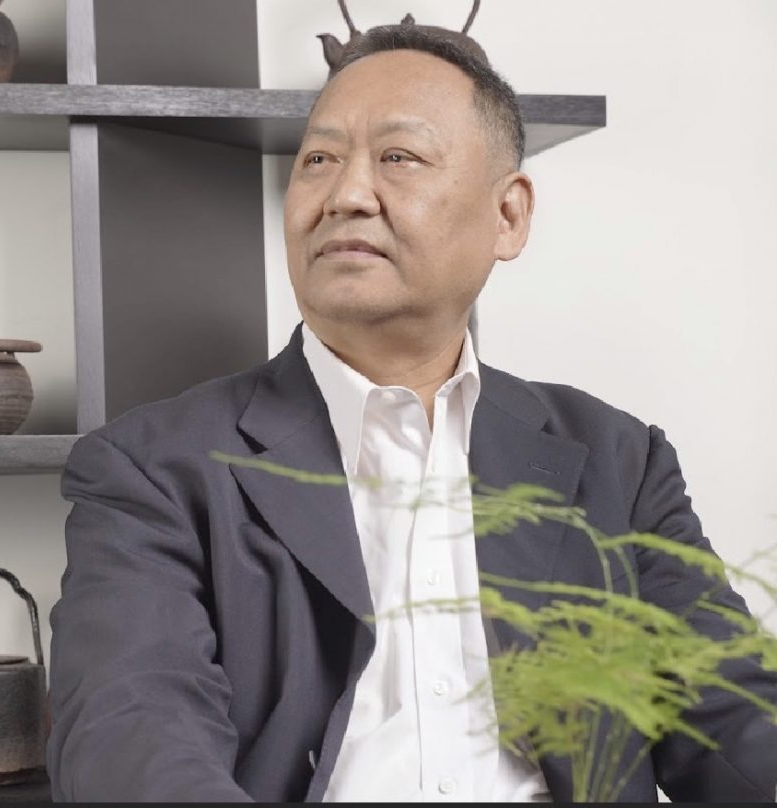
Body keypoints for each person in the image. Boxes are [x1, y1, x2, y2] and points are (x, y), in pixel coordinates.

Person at [46, 23, 777, 803]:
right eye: (318, 160)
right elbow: (129, 737)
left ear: (508, 216)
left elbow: (735, 717)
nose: (345, 195)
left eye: (398, 157)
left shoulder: (617, 462)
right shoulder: (153, 469)